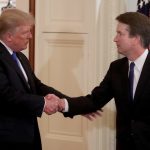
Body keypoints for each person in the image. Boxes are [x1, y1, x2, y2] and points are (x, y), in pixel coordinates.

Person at [54, 12, 150, 150]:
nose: (115, 39)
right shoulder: (116, 68)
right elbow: (94, 100)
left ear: (135, 38)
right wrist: (62, 104)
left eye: (120, 34)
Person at [0, 8, 67, 150]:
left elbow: (36, 86)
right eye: (25, 32)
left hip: (28, 135)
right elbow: (6, 94)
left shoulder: (20, 56)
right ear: (9, 36)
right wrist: (43, 103)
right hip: (7, 139)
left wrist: (67, 102)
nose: (30, 36)